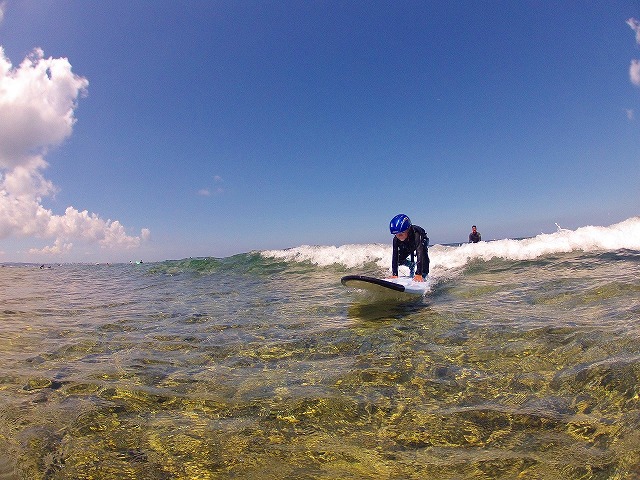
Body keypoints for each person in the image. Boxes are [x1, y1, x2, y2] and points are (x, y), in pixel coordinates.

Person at [389, 214, 430, 282]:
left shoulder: (417, 234)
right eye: (396, 234)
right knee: (399, 259)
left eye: (401, 233)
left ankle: (424, 274)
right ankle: (411, 264)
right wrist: (395, 274)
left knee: (423, 254)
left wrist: (419, 274)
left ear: (408, 229)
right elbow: (395, 255)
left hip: (422, 240)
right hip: (407, 241)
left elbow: (419, 252)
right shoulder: (396, 239)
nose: (399, 236)